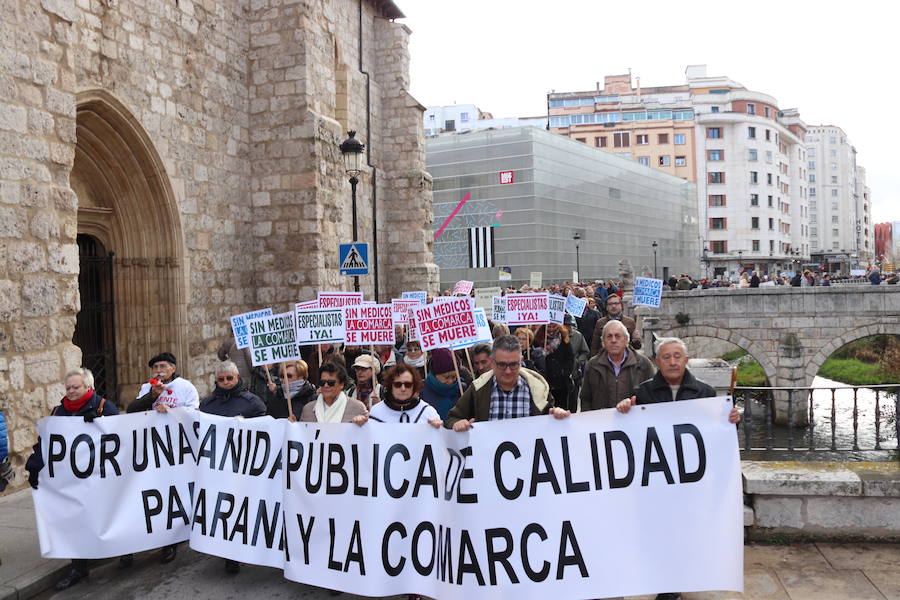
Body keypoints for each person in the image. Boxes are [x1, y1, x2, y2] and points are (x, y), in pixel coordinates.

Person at [616, 337, 739, 600]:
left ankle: (680, 584)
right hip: (656, 490)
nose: (672, 361)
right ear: (657, 362)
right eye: (666, 357)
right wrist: (625, 411)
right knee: (654, 545)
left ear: (686, 359)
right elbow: (635, 436)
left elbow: (716, 437)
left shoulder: (705, 393)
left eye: (677, 356)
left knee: (689, 547)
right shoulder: (645, 392)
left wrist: (731, 422)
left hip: (690, 492)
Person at [25, 368, 120, 590]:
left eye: (76, 387)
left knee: (107, 516)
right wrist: (34, 466)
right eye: (68, 388)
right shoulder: (58, 412)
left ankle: (123, 551)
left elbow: (121, 439)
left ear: (88, 387)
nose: (71, 391)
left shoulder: (104, 407)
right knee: (75, 522)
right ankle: (79, 567)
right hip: (71, 481)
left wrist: (100, 423)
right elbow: (46, 443)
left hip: (101, 479)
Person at [198, 361, 267, 575]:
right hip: (218, 467)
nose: (226, 382)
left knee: (244, 508)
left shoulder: (253, 403)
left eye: (230, 378)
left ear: (237, 378)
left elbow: (265, 431)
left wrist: (245, 424)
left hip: (245, 466)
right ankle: (230, 555)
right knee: (224, 509)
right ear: (216, 381)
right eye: (221, 379)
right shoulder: (207, 404)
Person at [445, 334, 570, 430]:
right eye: (502, 365)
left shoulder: (538, 389)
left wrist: (557, 415)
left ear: (521, 360)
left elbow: (550, 419)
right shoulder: (478, 388)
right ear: (492, 362)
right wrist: (457, 423)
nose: (508, 371)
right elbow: (452, 418)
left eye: (514, 364)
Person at [581, 320, 655, 411]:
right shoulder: (593, 365)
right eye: (609, 336)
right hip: (602, 422)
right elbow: (585, 399)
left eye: (618, 336)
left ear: (626, 340)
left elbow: (653, 397)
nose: (613, 340)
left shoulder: (643, 364)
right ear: (603, 342)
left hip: (633, 421)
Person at [352, 363, 442, 426]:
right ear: (391, 386)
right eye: (398, 384)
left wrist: (438, 428)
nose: (403, 389)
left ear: (414, 386)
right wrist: (360, 426)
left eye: (408, 384)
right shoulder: (377, 411)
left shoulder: (428, 412)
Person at [128, 352, 199, 413]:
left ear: (173, 369)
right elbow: (132, 410)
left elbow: (194, 412)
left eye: (162, 366)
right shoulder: (147, 387)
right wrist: (152, 396)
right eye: (155, 367)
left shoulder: (186, 387)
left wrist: (172, 411)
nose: (158, 370)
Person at [299, 363, 367, 423]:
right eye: (322, 382)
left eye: (330, 383)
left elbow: (370, 432)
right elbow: (301, 434)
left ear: (341, 384)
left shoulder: (358, 408)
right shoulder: (308, 409)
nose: (326, 385)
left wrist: (363, 424)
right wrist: (293, 425)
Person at [535, 323, 575, 412]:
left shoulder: (564, 339)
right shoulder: (538, 337)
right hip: (545, 380)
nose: (552, 329)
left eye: (554, 326)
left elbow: (570, 358)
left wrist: (565, 372)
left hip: (561, 382)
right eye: (549, 326)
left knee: (561, 408)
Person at [420, 348, 465, 420]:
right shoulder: (421, 390)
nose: (450, 381)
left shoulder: (463, 389)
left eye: (454, 376)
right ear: (435, 375)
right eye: (446, 377)